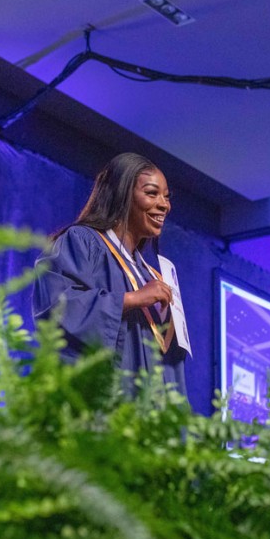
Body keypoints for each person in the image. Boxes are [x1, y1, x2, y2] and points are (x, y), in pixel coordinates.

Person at [32, 152, 187, 397]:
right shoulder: (83, 242)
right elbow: (55, 308)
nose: (164, 205)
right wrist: (132, 299)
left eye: (166, 197)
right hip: (101, 408)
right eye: (151, 193)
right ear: (123, 194)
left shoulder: (152, 275)